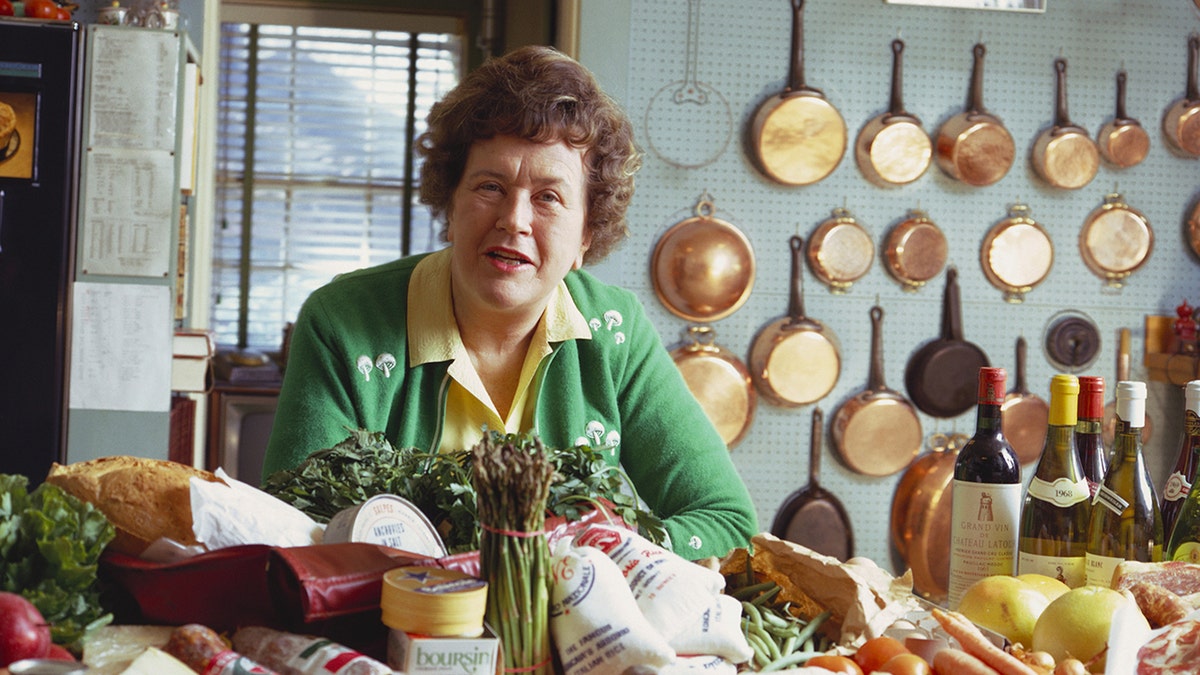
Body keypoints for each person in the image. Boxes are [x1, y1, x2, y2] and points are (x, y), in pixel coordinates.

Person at [262, 45, 757, 560]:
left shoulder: (617, 333)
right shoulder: (343, 321)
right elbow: (293, 525)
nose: (514, 219)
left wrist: (607, 550)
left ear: (587, 233)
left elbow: (727, 522)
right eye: (490, 186)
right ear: (450, 204)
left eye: (548, 197)